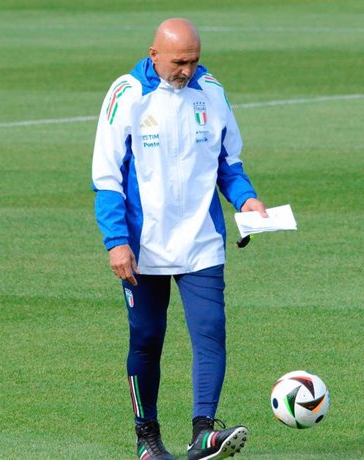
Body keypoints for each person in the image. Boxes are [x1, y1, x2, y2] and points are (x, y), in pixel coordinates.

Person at [92, 18, 266, 460]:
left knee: (210, 333)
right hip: (142, 246)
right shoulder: (128, 94)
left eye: (193, 60)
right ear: (154, 54)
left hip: (200, 241)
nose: (187, 69)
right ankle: (146, 437)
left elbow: (229, 162)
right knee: (147, 340)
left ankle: (204, 433)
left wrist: (245, 201)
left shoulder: (212, 92)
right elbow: (107, 177)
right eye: (179, 61)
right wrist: (116, 240)